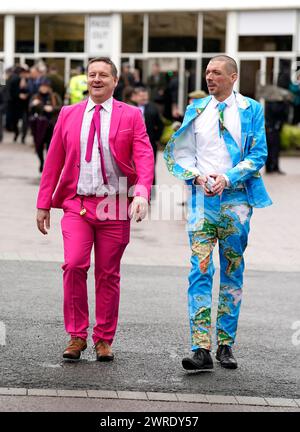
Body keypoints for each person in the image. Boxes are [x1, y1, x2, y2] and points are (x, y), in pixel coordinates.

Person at [36, 57, 154, 362]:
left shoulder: (131, 116)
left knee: (107, 274)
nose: (96, 79)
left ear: (115, 81)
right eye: (92, 75)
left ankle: (103, 338)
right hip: (78, 204)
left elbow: (143, 155)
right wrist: (44, 203)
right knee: (74, 264)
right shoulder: (69, 114)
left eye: (103, 75)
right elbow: (54, 161)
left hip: (114, 206)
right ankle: (77, 335)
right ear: (86, 80)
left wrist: (141, 192)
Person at [164, 55, 272, 370]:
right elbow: (180, 152)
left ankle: (226, 344)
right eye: (207, 72)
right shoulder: (196, 109)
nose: (210, 78)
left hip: (237, 200)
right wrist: (195, 175)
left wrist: (228, 177)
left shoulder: (251, 109)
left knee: (231, 270)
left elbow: (258, 153)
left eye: (216, 73)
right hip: (201, 200)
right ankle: (201, 348)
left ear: (233, 77)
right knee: (199, 270)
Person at [132, 87, 164, 186]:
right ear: (136, 97)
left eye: (145, 96)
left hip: (150, 143)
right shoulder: (131, 108)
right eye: (141, 96)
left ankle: (151, 193)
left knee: (150, 168)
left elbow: (160, 125)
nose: (143, 98)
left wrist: (156, 138)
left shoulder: (153, 109)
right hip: (134, 143)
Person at [29, 81, 62, 172]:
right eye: (42, 87)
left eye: (45, 87)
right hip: (38, 126)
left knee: (50, 146)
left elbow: (61, 107)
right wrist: (33, 104)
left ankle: (47, 164)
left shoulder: (54, 96)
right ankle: (41, 162)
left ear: (48, 88)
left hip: (51, 125)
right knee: (39, 146)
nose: (44, 88)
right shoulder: (35, 97)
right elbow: (29, 109)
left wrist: (52, 108)